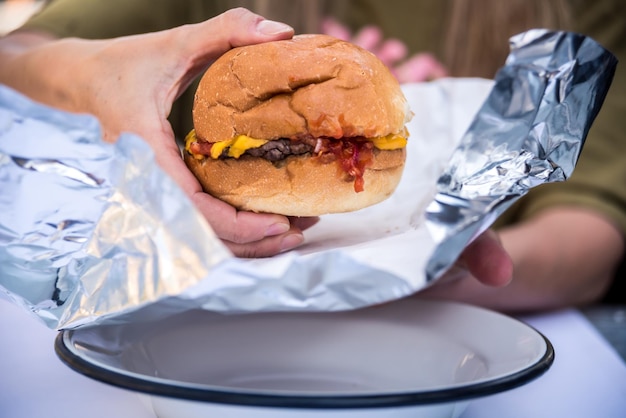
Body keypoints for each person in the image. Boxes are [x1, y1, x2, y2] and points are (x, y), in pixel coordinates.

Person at [0, 0, 623, 312]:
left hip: (471, 325)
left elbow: (593, 228)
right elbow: (16, 49)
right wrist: (88, 76)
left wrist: (420, 272)